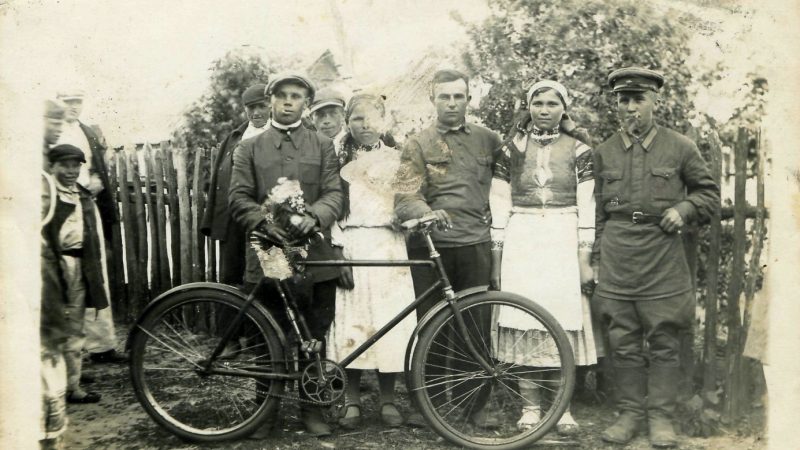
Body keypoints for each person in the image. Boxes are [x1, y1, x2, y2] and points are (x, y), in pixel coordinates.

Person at [592, 67, 719, 448]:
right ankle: (630, 413)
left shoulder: (680, 147)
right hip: (618, 255)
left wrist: (684, 209)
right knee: (623, 340)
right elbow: (596, 212)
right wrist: (596, 257)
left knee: (665, 339)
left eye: (638, 99)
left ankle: (661, 417)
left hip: (663, 255)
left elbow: (708, 194)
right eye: (623, 99)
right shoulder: (604, 151)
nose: (630, 107)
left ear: (655, 101)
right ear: (616, 103)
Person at [229, 73, 343, 438]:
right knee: (268, 336)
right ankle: (266, 411)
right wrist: (263, 223)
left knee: (314, 335)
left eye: (296, 96)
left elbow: (334, 193)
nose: (288, 102)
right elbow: (238, 197)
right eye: (281, 96)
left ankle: (313, 409)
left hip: (315, 256)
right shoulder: (249, 148)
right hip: (267, 254)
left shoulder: (323, 145)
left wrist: (316, 216)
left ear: (306, 103)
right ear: (271, 100)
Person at [394, 69, 503, 427]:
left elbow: (509, 179)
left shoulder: (488, 140)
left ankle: (477, 405)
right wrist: (426, 213)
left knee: (476, 323)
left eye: (459, 96)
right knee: (431, 324)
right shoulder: (417, 143)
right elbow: (405, 195)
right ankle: (429, 404)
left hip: (475, 243)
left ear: (469, 99)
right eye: (445, 97)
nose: (452, 103)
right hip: (431, 247)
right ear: (433, 100)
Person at [489, 80, 598, 435]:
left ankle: (561, 408)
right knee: (524, 319)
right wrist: (497, 260)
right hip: (523, 239)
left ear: (563, 109)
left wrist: (584, 260)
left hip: (562, 239)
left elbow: (588, 207)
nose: (545, 109)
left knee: (560, 321)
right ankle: (530, 406)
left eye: (553, 103)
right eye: (538, 102)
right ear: (529, 106)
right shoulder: (511, 150)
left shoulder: (580, 150)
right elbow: (499, 205)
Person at [326, 93, 415, 429]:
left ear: (384, 120)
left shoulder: (399, 158)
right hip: (354, 243)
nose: (365, 125)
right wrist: (338, 252)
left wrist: (403, 218)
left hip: (390, 245)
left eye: (372, 118)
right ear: (348, 123)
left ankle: (388, 399)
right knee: (354, 322)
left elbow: (410, 199)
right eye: (357, 119)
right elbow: (333, 207)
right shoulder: (336, 160)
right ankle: (352, 401)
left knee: (389, 321)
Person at [55, 90, 126, 365]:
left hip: (86, 201)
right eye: (68, 101)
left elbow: (96, 165)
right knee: (67, 276)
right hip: (61, 204)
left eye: (77, 101)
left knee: (96, 272)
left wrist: (96, 178)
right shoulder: (49, 132)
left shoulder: (86, 131)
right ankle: (68, 358)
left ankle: (101, 346)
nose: (73, 107)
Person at [43, 144, 113, 404]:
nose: (72, 171)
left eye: (76, 166)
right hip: (52, 266)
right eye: (66, 165)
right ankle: (51, 390)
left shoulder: (81, 194)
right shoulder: (47, 193)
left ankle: (72, 387)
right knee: (51, 328)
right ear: (53, 166)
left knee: (75, 327)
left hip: (78, 265)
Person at [202, 83, 268, 288]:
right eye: (251, 107)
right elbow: (218, 180)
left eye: (261, 106)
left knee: (262, 278)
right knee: (231, 277)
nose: (256, 112)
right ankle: (233, 320)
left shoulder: (279, 134)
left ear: (271, 106)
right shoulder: (235, 138)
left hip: (263, 216)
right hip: (233, 218)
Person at [40, 99, 70, 449]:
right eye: (52, 119)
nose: (57, 125)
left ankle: (51, 432)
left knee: (50, 346)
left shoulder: (42, 166)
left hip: (46, 261)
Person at [308, 87, 347, 151]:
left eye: (333, 113)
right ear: (311, 118)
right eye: (320, 115)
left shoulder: (355, 144)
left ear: (343, 115)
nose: (327, 121)